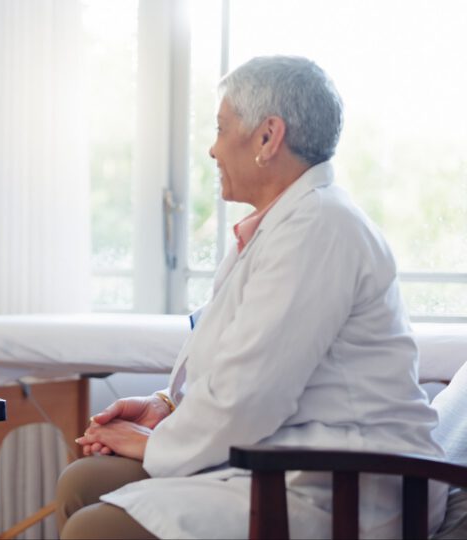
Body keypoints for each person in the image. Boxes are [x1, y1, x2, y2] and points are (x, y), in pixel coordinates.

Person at [55, 56, 449, 539]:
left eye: (221, 128)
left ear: (267, 137)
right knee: (83, 481)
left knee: (94, 529)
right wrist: (166, 406)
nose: (212, 149)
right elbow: (232, 360)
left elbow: (252, 394)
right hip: (286, 459)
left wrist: (151, 444)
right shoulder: (280, 226)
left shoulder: (319, 227)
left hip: (351, 486)